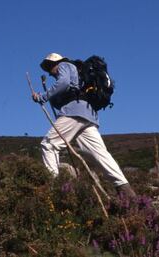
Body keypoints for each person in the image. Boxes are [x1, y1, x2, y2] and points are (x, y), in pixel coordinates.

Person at [32, 53, 136, 199]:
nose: (49, 73)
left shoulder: (64, 65)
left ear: (55, 62)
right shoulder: (77, 73)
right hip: (88, 114)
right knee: (99, 154)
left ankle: (54, 188)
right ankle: (125, 190)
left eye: (49, 67)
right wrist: (53, 99)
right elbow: (65, 92)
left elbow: (63, 83)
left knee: (49, 145)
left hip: (74, 113)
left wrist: (43, 96)